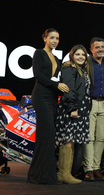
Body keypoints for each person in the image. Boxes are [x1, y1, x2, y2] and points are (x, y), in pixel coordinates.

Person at [28, 28, 70, 185]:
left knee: (46, 137)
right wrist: (56, 84)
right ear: (44, 38)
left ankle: (39, 175)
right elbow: (37, 74)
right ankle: (43, 176)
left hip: (52, 98)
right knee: (46, 136)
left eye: (57, 38)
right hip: (41, 96)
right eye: (52, 37)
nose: (55, 41)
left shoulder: (56, 57)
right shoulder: (39, 53)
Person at [55, 44, 91, 184]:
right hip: (72, 110)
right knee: (68, 141)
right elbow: (68, 90)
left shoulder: (81, 70)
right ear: (71, 56)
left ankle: (66, 174)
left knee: (72, 141)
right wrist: (72, 108)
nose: (81, 57)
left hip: (80, 110)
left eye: (83, 55)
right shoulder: (69, 69)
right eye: (77, 54)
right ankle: (63, 174)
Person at [83, 37, 104, 181]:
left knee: (101, 138)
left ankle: (96, 168)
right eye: (97, 47)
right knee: (89, 138)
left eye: (103, 47)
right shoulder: (86, 62)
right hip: (90, 103)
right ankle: (88, 169)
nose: (101, 49)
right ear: (91, 49)